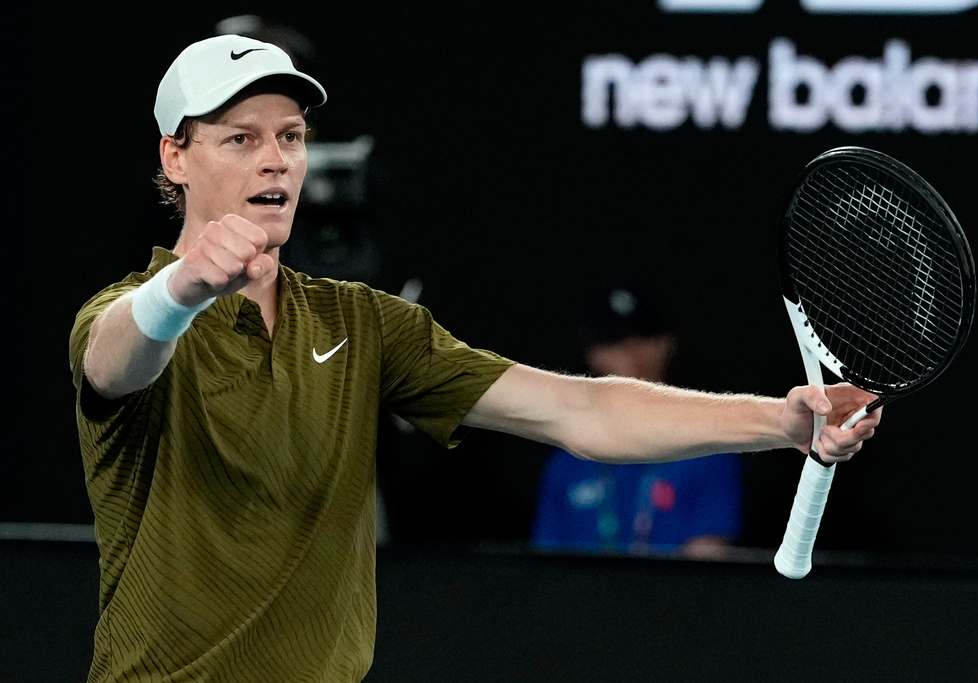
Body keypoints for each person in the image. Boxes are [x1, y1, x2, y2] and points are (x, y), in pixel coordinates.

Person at [69, 34, 882, 683]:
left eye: (291, 136)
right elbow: (116, 361)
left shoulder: (364, 322)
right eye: (240, 139)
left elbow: (578, 409)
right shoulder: (126, 312)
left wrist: (783, 420)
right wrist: (184, 288)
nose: (275, 159)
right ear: (176, 157)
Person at [532, 278, 743, 558]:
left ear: (669, 344)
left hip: (675, 588)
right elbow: (545, 569)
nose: (633, 353)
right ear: (592, 355)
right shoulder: (567, 459)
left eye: (646, 335)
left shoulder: (709, 448)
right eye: (615, 341)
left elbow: (706, 561)